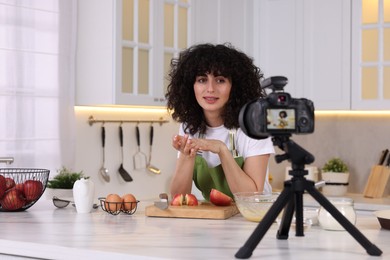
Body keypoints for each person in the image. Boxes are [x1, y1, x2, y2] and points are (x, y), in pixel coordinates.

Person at [165, 43, 275, 201]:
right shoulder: (190, 126)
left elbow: (252, 196)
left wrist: (222, 150)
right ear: (191, 86)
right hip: (214, 219)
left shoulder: (254, 127)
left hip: (255, 219)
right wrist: (186, 156)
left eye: (220, 80)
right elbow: (178, 198)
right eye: (202, 80)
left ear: (234, 86)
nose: (210, 89)